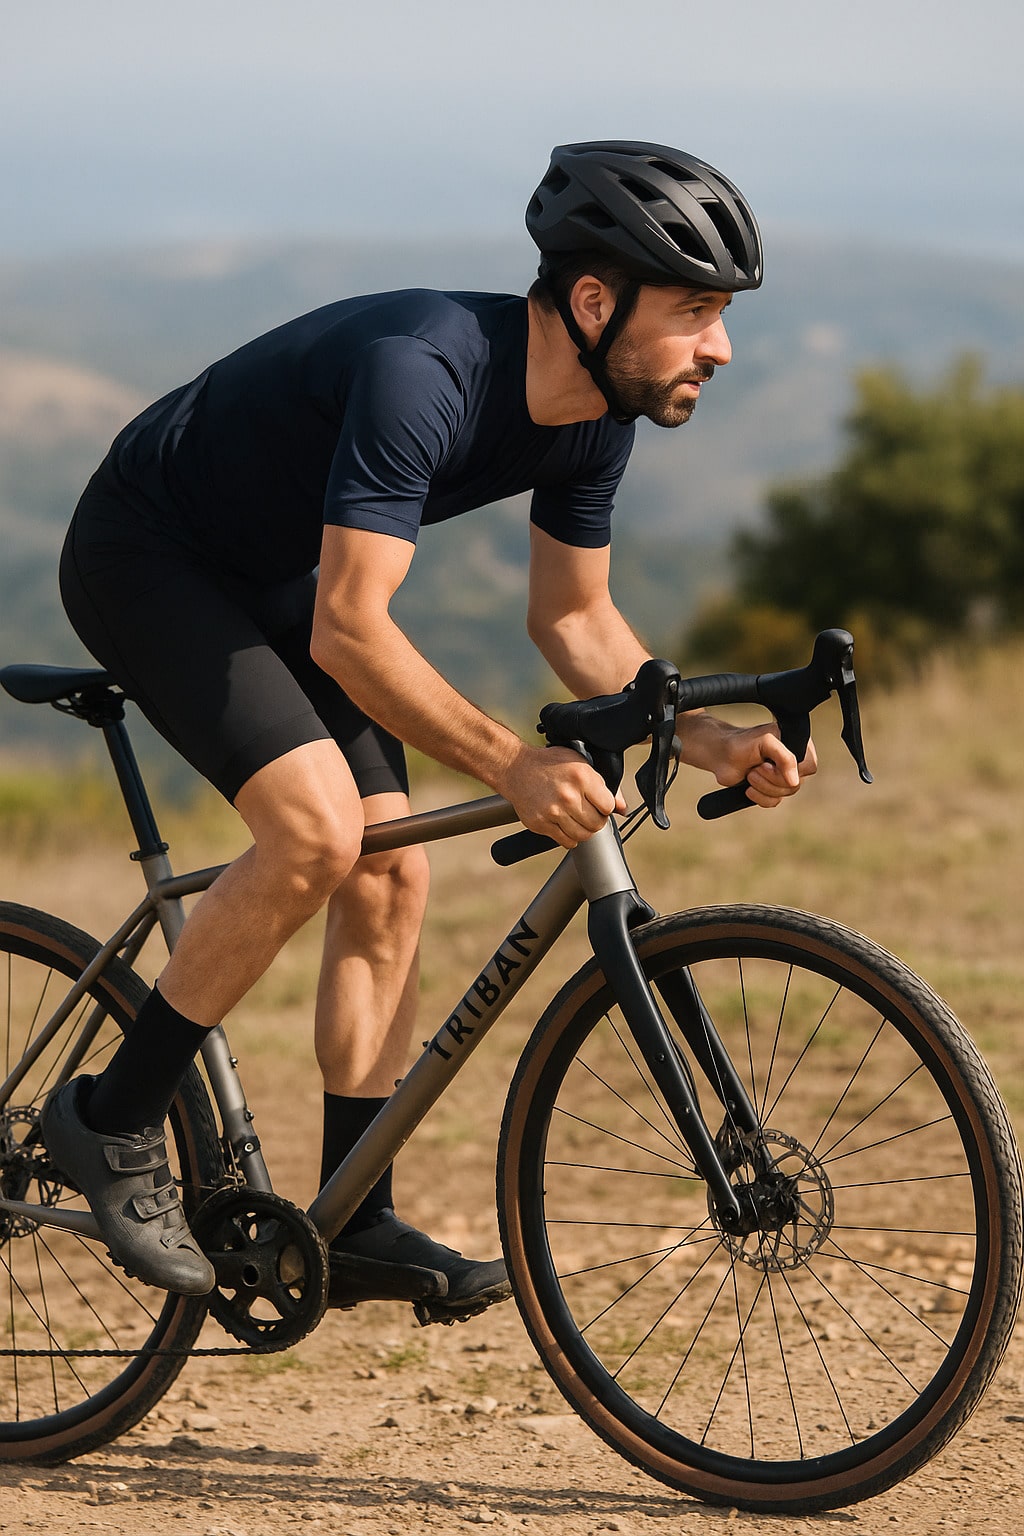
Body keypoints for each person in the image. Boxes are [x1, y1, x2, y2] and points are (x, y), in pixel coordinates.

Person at [42, 140, 816, 1315]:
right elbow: (354, 631)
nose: (718, 344)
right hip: (146, 551)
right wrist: (512, 762)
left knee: (389, 869)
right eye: (698, 309)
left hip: (274, 572)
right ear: (595, 302)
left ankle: (355, 1216)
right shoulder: (425, 373)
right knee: (314, 833)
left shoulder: (595, 414)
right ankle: (112, 1116)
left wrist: (703, 738)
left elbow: (574, 617)